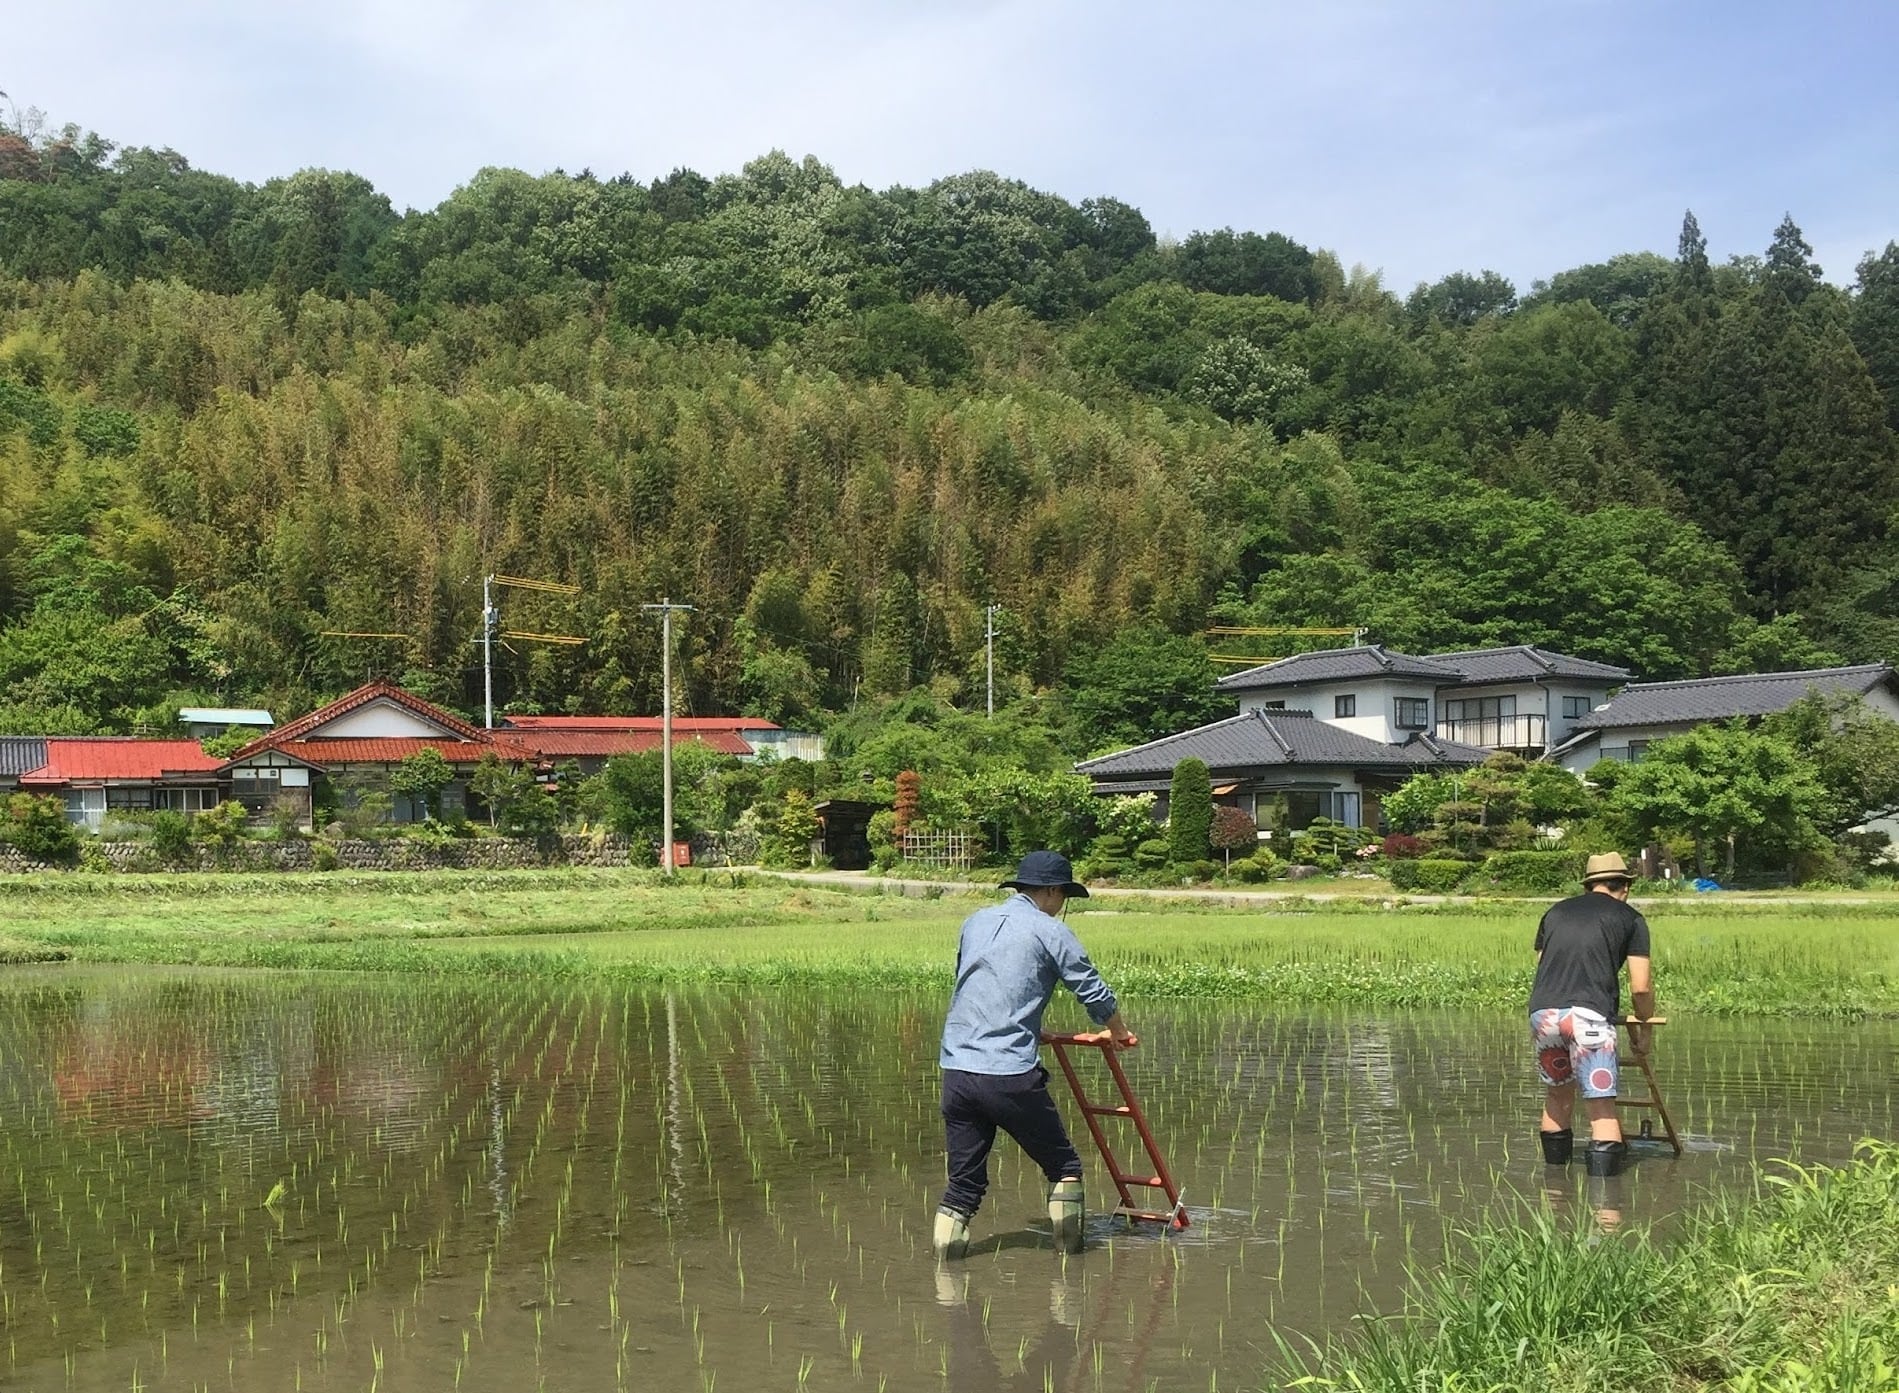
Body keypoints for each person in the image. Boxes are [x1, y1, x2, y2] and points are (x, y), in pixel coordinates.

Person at [934, 850, 1136, 1260]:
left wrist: (1029, 1030)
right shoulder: (1050, 930)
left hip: (957, 1071)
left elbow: (971, 985)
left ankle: (944, 1271)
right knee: (1064, 1167)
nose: (1062, 905)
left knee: (963, 1186)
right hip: (1009, 1075)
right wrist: (1118, 1032)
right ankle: (1072, 1267)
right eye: (1063, 896)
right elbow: (1091, 988)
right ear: (1051, 891)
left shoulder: (975, 921)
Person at [1529, 851, 1655, 1177]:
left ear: (1587, 886)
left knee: (1557, 1094)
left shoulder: (1555, 912)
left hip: (1544, 1014)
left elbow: (1543, 963)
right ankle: (1607, 1201)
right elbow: (1641, 988)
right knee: (1600, 1104)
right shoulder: (1630, 918)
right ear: (1625, 887)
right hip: (1589, 1015)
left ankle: (1555, 1187)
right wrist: (1645, 1027)